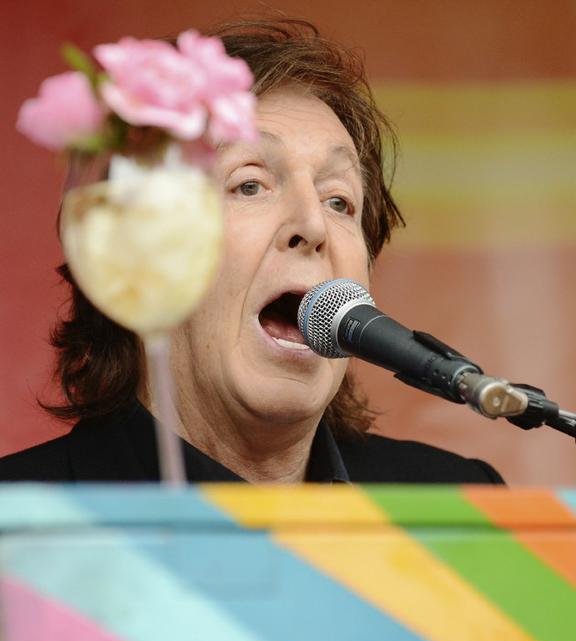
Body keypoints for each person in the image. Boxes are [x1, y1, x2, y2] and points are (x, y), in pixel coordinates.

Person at [0, 18, 503, 484]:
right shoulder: (21, 528)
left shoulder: (461, 506)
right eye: (249, 185)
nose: (312, 224)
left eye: (339, 200)